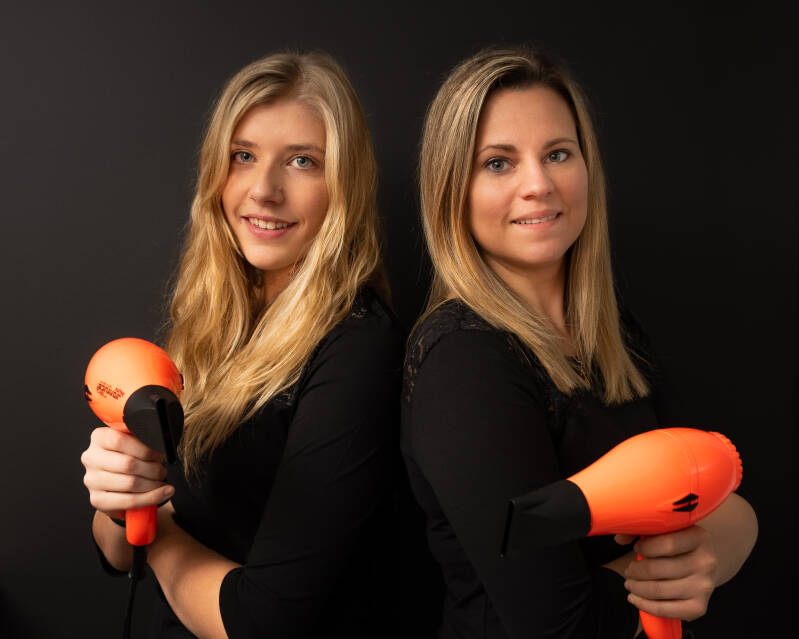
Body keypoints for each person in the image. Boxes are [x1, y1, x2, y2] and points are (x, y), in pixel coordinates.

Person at [401, 46, 758, 639]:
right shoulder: (463, 362)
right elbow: (561, 627)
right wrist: (672, 567)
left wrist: (716, 549)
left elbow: (715, 490)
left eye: (557, 154)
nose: (538, 185)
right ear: (450, 189)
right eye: (498, 163)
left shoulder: (610, 330)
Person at [81, 51, 402, 638]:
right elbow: (118, 554)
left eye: (302, 162)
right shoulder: (216, 321)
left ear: (345, 186)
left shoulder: (357, 348)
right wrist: (118, 495)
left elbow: (260, 624)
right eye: (243, 156)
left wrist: (160, 529)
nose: (264, 190)